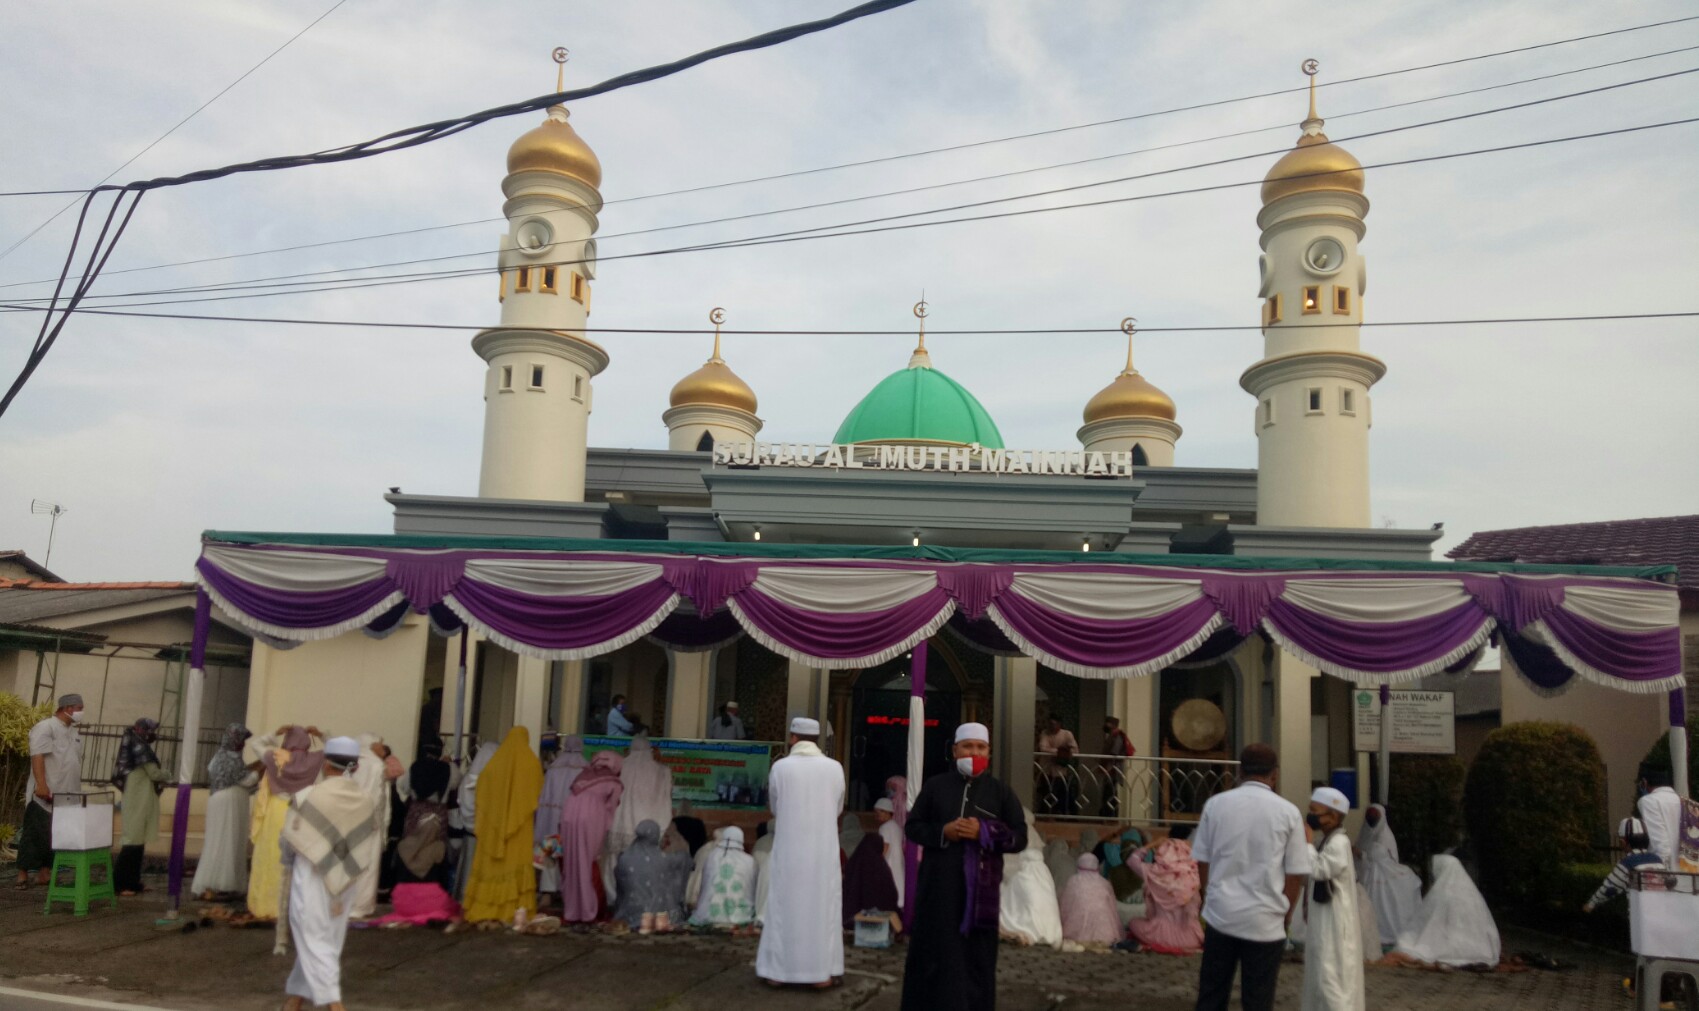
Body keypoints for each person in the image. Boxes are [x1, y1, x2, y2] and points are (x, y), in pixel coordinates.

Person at [901, 722, 1027, 1011]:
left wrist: (984, 832)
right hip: (938, 889)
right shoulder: (935, 787)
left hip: (980, 898)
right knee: (936, 953)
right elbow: (913, 828)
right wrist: (944, 832)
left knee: (976, 960)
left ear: (989, 752)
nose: (974, 752)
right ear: (955, 750)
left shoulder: (1001, 792)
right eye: (968, 746)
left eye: (980, 747)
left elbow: (1020, 837)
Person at [1191, 743, 1312, 1011]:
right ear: (1275, 774)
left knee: (1211, 995)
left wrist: (1207, 898)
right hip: (1265, 921)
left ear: (1240, 771)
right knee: (1258, 999)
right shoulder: (1289, 812)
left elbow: (1203, 859)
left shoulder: (1216, 805)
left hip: (1221, 915)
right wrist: (1286, 912)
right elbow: (1296, 871)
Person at [280, 736, 378, 1011]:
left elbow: (289, 840)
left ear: (325, 764)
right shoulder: (366, 800)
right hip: (345, 881)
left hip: (311, 875)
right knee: (326, 940)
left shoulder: (307, 796)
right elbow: (367, 839)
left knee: (313, 938)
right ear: (355, 767)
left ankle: (335, 1006)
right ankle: (294, 1002)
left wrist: (288, 862)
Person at [756, 717, 847, 988]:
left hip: (789, 850)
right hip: (822, 851)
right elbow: (838, 808)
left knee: (785, 905)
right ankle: (821, 975)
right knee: (822, 908)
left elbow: (774, 806)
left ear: (792, 738)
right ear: (817, 740)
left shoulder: (781, 767)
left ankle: (777, 973)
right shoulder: (834, 768)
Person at [462, 726, 542, 924]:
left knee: (493, 868)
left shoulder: (494, 764)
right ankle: (516, 909)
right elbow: (538, 794)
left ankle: (490, 909)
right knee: (516, 866)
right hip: (520, 831)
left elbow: (478, 789)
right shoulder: (532, 763)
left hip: (494, 830)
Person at [249, 726, 326, 919]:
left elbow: (255, 744)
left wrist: (275, 732)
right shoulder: (314, 759)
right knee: (300, 861)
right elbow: (336, 749)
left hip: (276, 811)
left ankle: (268, 905)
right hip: (301, 811)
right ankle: (296, 908)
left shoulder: (275, 756)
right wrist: (320, 734)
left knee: (271, 857)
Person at [1300, 786, 1363, 1011]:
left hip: (1335, 923)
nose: (1311, 817)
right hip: (1324, 920)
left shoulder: (1339, 843)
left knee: (1331, 978)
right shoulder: (1327, 840)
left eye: (1315, 811)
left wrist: (1306, 843)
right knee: (1320, 973)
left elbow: (1320, 870)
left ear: (1333, 816)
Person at [16, 693, 84, 889]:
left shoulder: (73, 732)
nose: (81, 712)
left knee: (54, 836)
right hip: (46, 792)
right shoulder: (46, 727)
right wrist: (41, 784)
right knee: (34, 834)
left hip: (67, 794)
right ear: (68, 708)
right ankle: (22, 874)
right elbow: (37, 756)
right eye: (80, 708)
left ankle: (45, 873)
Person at [1390, 854, 1500, 968]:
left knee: (1405, 942)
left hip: (1450, 941)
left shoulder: (1442, 893)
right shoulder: (1473, 894)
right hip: (1479, 947)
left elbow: (1431, 921)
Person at [606, 735, 674, 901]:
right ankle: (645, 897)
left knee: (618, 862)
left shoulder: (620, 767)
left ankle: (616, 897)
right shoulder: (661, 770)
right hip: (649, 825)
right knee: (647, 862)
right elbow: (667, 794)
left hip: (622, 825)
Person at [559, 750, 624, 922]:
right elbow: (611, 809)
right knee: (588, 861)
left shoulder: (583, 775)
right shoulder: (613, 781)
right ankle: (588, 910)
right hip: (591, 816)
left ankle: (572, 909)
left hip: (569, 813)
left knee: (572, 860)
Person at [192, 723, 257, 897]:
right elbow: (247, 780)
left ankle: (213, 881)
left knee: (217, 840)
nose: (243, 744)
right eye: (242, 740)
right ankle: (223, 883)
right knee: (228, 840)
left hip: (218, 801)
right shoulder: (232, 758)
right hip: (229, 803)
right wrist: (263, 768)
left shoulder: (218, 756)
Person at [111, 718, 170, 896]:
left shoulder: (135, 746)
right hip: (138, 800)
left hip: (138, 799)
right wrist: (168, 774)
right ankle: (121, 885)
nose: (153, 734)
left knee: (137, 842)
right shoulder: (140, 748)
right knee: (132, 842)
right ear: (143, 730)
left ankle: (134, 882)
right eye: (150, 730)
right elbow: (154, 773)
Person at [1355, 803, 1421, 948]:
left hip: (1382, 879)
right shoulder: (1366, 831)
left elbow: (1384, 860)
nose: (1371, 819)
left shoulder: (1385, 837)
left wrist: (1362, 855)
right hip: (1367, 877)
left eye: (1374, 816)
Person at [1127, 834, 1204, 955]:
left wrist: (1152, 844)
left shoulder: (1153, 873)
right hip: (1189, 938)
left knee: (1133, 923)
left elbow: (1132, 860)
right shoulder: (1192, 876)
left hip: (1159, 933)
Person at [346, 734, 395, 918]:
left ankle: (347, 902)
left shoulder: (352, 762)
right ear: (371, 745)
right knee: (369, 864)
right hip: (370, 820)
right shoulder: (376, 764)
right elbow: (377, 796)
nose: (383, 747)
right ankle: (361, 905)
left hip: (351, 818)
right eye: (379, 744)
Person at [999, 809, 1062, 948]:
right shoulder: (1033, 835)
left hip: (1020, 872)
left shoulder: (1016, 832)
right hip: (1033, 872)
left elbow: (1010, 860)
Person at [535, 735, 589, 899]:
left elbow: (545, 795)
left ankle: (547, 892)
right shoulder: (585, 768)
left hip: (553, 817)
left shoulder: (554, 768)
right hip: (575, 818)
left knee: (551, 853)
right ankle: (572, 893)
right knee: (575, 855)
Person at [613, 819, 691, 931]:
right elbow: (681, 861)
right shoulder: (661, 859)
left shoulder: (625, 857)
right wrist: (687, 860)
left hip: (628, 912)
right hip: (658, 914)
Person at [394, 746, 452, 888]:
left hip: (417, 810)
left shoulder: (416, 766)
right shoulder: (448, 768)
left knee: (412, 845)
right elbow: (455, 784)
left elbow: (404, 786)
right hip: (439, 811)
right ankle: (430, 884)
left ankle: (409, 881)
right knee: (434, 847)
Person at [449, 739, 498, 901]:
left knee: (469, 872)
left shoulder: (469, 779)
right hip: (485, 833)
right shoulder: (490, 780)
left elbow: (464, 803)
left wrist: (471, 822)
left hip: (472, 832)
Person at [1584, 817, 1665, 913]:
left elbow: (1610, 888)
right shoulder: (1658, 860)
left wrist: (1591, 903)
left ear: (1623, 843)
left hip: (1640, 914)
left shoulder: (1627, 863)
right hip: (1661, 911)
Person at [691, 825, 757, 926]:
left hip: (709, 916)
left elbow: (704, 886)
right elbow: (752, 888)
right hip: (741, 917)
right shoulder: (749, 861)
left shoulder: (711, 857)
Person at [843, 832, 900, 930]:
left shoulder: (854, 862)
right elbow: (891, 892)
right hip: (880, 916)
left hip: (852, 915)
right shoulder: (881, 866)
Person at [1060, 853, 1121, 944]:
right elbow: (1113, 909)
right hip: (1106, 933)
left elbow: (1065, 906)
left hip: (1077, 933)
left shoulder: (1073, 881)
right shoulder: (1104, 883)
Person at [1637, 763, 1685, 868]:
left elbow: (1659, 842)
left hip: (1667, 872)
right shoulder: (1681, 801)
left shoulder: (1648, 801)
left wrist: (1661, 869)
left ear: (1644, 782)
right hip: (1689, 870)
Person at [1036, 716, 1079, 817]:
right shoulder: (1045, 733)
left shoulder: (1066, 734)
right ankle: (1047, 816)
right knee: (1047, 793)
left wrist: (1061, 753)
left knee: (1064, 795)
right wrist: (1059, 751)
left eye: (1054, 724)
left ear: (1059, 724)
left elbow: (1075, 750)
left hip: (1061, 772)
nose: (1051, 727)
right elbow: (1043, 748)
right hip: (1047, 771)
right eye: (1050, 724)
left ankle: (1068, 816)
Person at [1100, 717, 1134, 817]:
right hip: (1111, 768)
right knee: (1109, 793)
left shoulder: (1117, 736)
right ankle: (1108, 815)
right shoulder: (1112, 736)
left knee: (1110, 794)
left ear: (1113, 725)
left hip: (1113, 769)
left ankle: (1111, 816)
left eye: (1108, 723)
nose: (1106, 725)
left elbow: (1114, 753)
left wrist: (1108, 768)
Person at [874, 798, 905, 905]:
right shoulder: (897, 826)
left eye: (881, 811)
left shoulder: (885, 828)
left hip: (889, 863)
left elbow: (885, 847)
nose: (878, 815)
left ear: (889, 813)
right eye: (877, 812)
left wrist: (877, 864)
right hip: (898, 862)